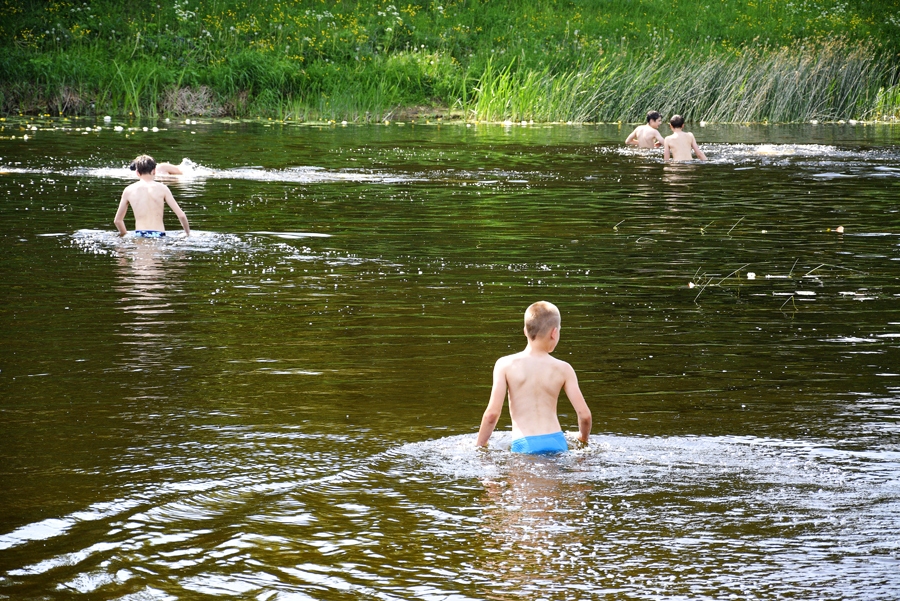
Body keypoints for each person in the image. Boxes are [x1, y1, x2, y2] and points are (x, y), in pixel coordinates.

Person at [476, 301, 592, 454]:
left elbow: (491, 415)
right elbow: (585, 416)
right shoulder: (564, 369)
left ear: (525, 330)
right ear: (554, 333)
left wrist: (479, 446)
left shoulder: (505, 365)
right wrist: (582, 440)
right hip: (557, 442)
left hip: (524, 445)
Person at [114, 155, 191, 237]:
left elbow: (118, 221)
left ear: (137, 172)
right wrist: (187, 234)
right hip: (159, 234)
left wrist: (124, 233)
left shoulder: (128, 190)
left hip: (140, 234)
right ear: (154, 171)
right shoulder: (163, 188)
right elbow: (181, 215)